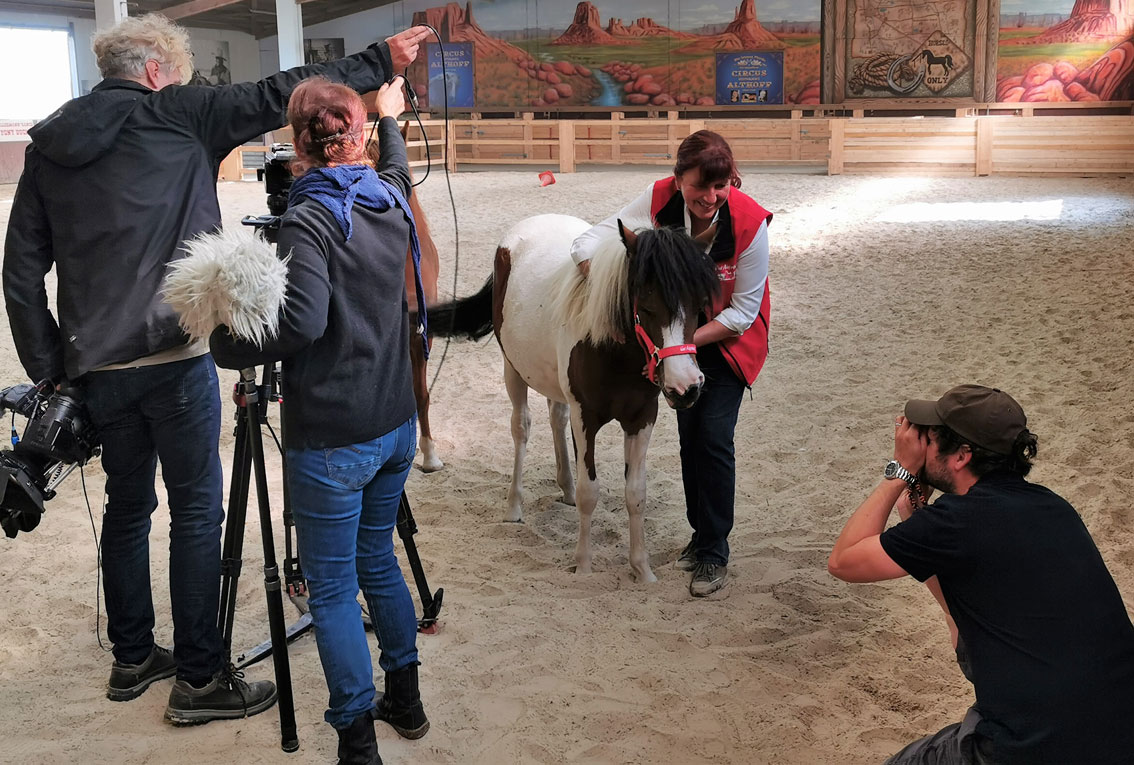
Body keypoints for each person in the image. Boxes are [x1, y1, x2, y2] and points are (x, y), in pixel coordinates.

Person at [2, 12, 430, 726]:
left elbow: (20, 272)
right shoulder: (179, 113)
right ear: (158, 71)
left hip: (95, 363)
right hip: (177, 354)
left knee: (127, 507)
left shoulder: (48, 145)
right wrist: (379, 58)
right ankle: (200, 676)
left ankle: (133, 655)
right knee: (198, 509)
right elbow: (281, 92)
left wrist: (51, 370)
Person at [209, 76, 427, 765]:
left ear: (298, 145)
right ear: (355, 134)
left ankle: (357, 741)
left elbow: (301, 321)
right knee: (378, 560)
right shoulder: (388, 194)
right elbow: (395, 164)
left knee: (331, 589)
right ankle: (408, 699)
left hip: (335, 433)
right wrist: (388, 119)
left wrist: (225, 343)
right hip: (395, 421)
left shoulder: (308, 217)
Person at [828, 385, 1134, 764]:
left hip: (1033, 746)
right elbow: (964, 619)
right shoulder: (1052, 505)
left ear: (961, 455)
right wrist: (916, 522)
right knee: (969, 649)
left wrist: (899, 472)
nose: (922, 445)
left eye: (931, 437)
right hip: (1120, 732)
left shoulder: (957, 522)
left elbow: (843, 561)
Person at [570, 130, 771, 597]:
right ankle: (699, 537)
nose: (711, 197)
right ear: (679, 179)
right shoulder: (658, 198)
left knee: (714, 439)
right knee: (687, 438)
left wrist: (673, 348)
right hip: (672, 336)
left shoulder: (749, 223)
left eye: (720, 186)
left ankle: (714, 553)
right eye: (700, 186)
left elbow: (742, 313)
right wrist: (597, 277)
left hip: (724, 341)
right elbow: (589, 240)